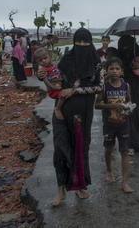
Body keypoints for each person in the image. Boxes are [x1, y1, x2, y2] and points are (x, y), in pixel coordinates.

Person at [51, 28, 103, 206]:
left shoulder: (96, 63)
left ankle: (80, 185)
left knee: (80, 148)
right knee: (60, 148)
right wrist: (43, 78)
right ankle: (61, 190)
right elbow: (56, 83)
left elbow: (99, 87)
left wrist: (74, 90)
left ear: (90, 43)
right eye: (78, 42)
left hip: (83, 113)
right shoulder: (66, 60)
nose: (81, 45)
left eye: (85, 42)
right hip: (61, 110)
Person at [95, 57, 134, 193]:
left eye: (117, 69)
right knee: (109, 149)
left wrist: (127, 109)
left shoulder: (126, 86)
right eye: (111, 68)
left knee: (124, 152)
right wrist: (113, 105)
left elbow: (129, 102)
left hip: (123, 124)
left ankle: (124, 182)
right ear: (107, 71)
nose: (114, 71)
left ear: (122, 71)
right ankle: (109, 170)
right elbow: (97, 105)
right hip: (109, 125)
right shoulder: (104, 87)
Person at [35, 47, 65, 120]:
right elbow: (47, 83)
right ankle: (57, 108)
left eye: (45, 58)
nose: (44, 61)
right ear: (38, 62)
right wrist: (54, 87)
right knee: (63, 95)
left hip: (58, 86)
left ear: (50, 56)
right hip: (53, 90)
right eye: (40, 60)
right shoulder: (43, 70)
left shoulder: (54, 65)